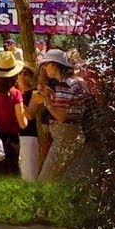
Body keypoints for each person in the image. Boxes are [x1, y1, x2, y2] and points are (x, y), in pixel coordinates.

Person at [36, 49, 89, 182]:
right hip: (75, 134)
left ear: (55, 64)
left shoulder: (63, 84)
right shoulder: (77, 81)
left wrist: (45, 100)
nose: (44, 68)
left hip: (64, 137)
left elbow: (61, 116)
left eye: (46, 64)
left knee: (45, 180)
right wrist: (51, 95)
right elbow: (71, 105)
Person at [18, 65, 42, 181]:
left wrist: (19, 101)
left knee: (29, 171)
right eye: (20, 73)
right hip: (17, 135)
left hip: (29, 135)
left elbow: (31, 115)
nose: (22, 76)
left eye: (25, 73)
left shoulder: (34, 93)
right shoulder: (17, 93)